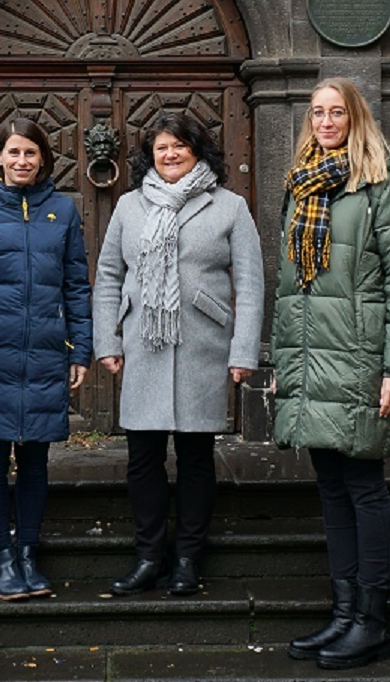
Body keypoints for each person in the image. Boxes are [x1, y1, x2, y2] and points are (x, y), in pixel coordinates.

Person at [270, 78, 390, 669]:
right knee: (332, 491)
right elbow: (292, 291)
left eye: (337, 112)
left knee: (364, 489)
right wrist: (285, 364)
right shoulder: (300, 184)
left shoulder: (380, 184)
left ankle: (372, 620)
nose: (326, 121)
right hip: (311, 360)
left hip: (361, 360)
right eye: (317, 113)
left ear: (356, 117)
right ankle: (342, 615)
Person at [92, 112, 264, 596]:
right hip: (143, 342)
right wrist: (107, 339)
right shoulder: (129, 206)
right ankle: (149, 557)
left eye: (178, 146)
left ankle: (187, 559)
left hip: (203, 345)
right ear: (150, 155)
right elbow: (107, 276)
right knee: (143, 458)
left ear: (197, 151)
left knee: (195, 457)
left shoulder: (229, 206)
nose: (169, 155)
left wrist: (244, 349)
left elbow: (250, 285)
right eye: (160, 148)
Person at [0, 117, 93, 600]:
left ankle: (29, 551)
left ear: (43, 159)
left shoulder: (63, 211)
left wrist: (80, 347)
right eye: (12, 153)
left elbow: (76, 283)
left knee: (35, 459)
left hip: (44, 353)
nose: (21, 162)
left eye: (30, 153)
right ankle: (2, 556)